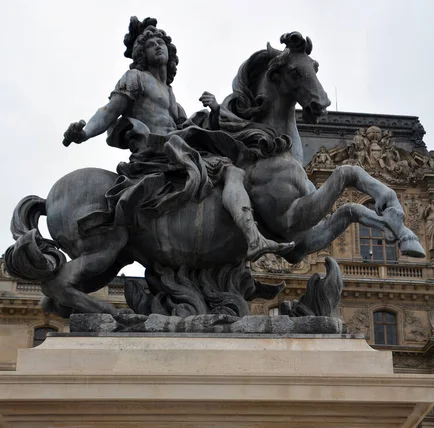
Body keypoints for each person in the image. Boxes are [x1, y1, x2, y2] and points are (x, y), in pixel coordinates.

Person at [63, 18, 293, 261]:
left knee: (228, 161)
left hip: (175, 148)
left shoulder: (170, 94)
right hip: (155, 150)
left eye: (161, 43)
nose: (158, 46)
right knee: (231, 171)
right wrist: (84, 133)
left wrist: (215, 110)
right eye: (151, 44)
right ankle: (253, 237)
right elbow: (109, 112)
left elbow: (186, 126)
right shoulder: (135, 78)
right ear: (142, 53)